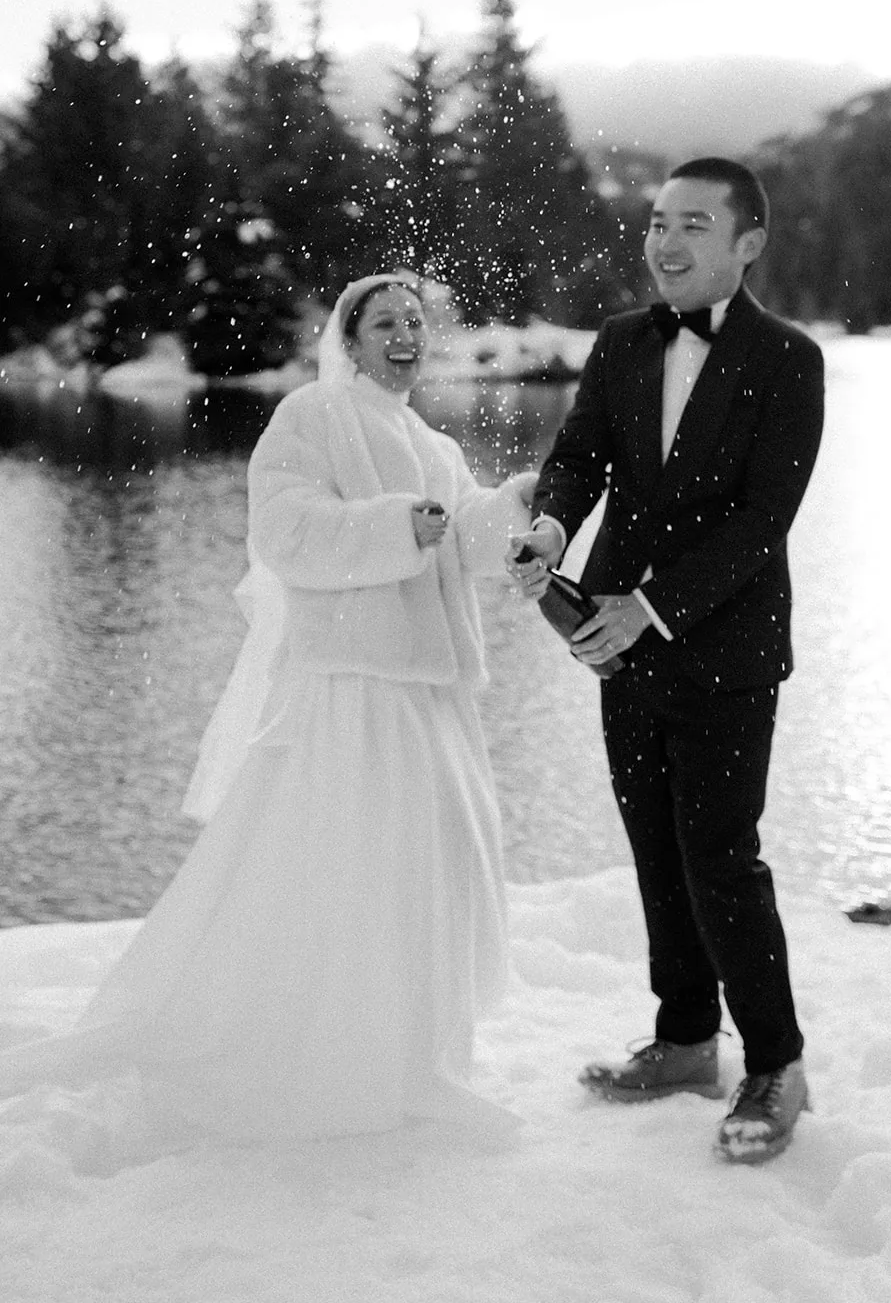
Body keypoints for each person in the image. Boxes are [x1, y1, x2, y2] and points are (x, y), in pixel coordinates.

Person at [0, 275, 536, 1153]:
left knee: (431, 864)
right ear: (350, 340)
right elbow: (286, 534)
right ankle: (322, 1055)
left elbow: (462, 540)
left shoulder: (433, 441)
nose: (404, 335)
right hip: (350, 685)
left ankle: (415, 1057)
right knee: (350, 869)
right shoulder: (310, 420)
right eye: (383, 323)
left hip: (429, 691)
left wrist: (509, 515)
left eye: (414, 321)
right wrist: (399, 523)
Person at [509, 159, 824, 1164]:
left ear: (747, 242)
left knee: (721, 860)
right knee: (655, 851)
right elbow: (578, 457)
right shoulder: (617, 343)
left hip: (722, 654)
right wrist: (550, 531)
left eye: (693, 222)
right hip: (614, 641)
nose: (665, 241)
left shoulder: (788, 358)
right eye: (655, 222)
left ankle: (774, 1063)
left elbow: (759, 521)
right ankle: (686, 1041)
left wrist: (645, 607)